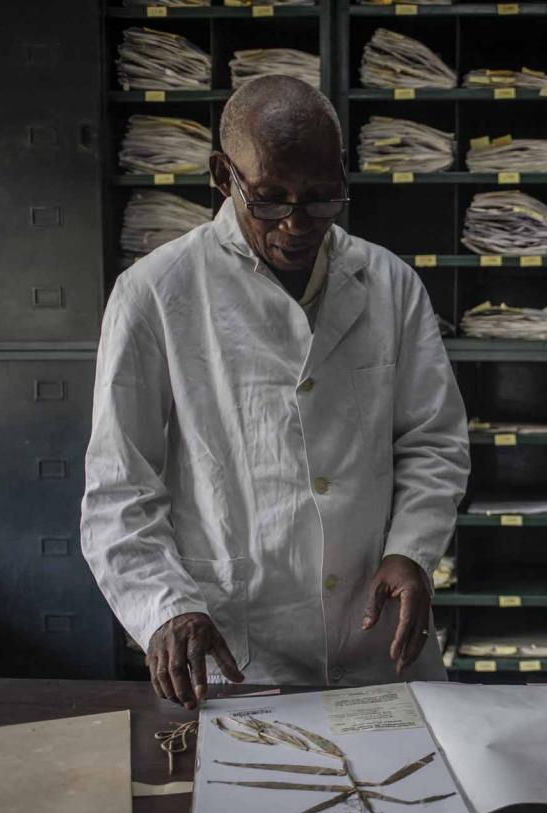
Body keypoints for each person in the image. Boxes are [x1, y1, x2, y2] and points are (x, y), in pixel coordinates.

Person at [81, 76, 469, 709]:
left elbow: (434, 440)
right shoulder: (156, 293)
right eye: (268, 200)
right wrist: (165, 607)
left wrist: (412, 551)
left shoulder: (389, 284)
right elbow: (120, 487)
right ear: (220, 175)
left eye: (320, 199)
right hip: (238, 646)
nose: (295, 223)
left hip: (375, 643)